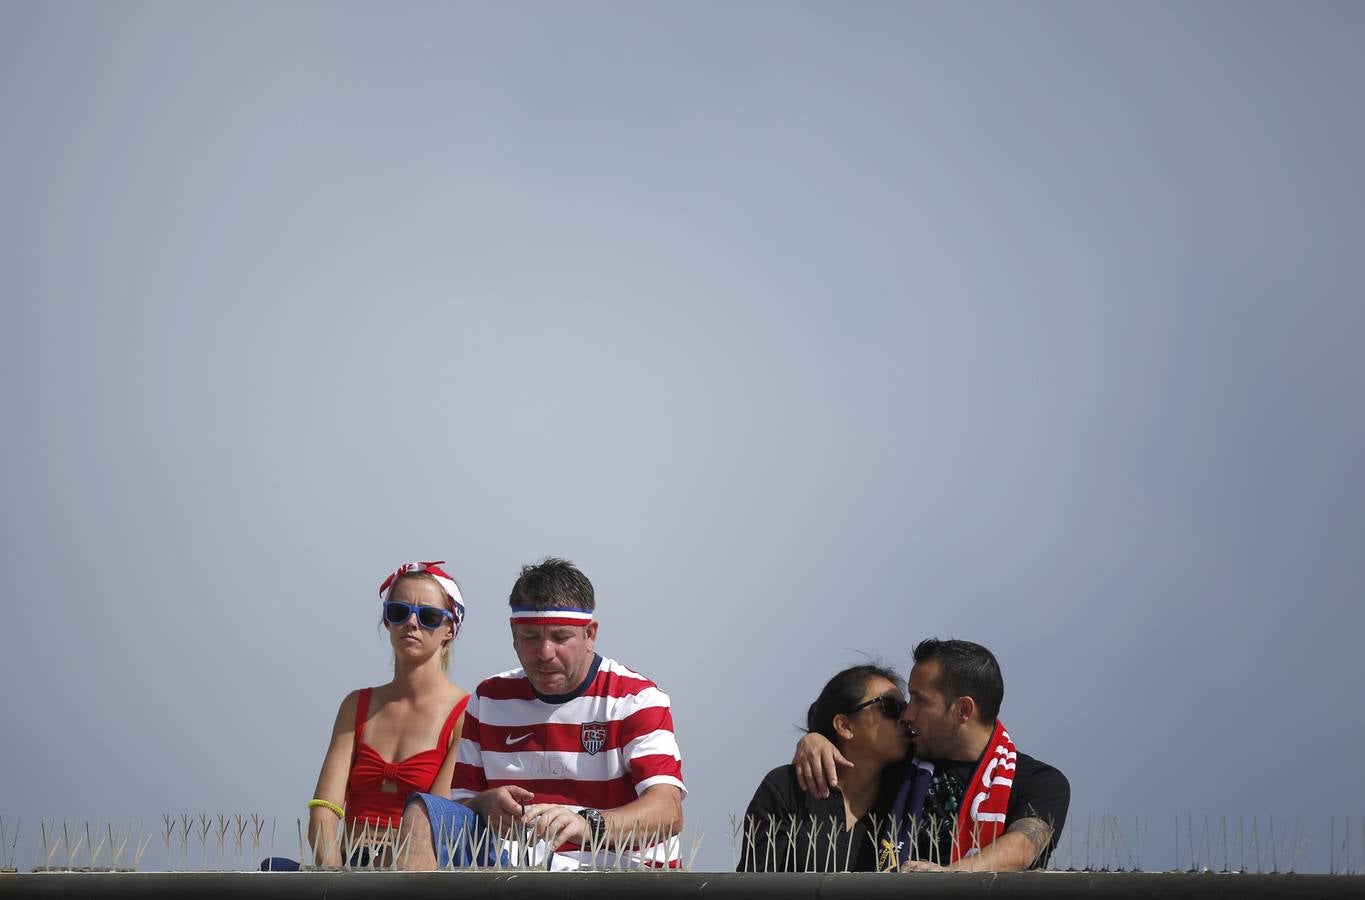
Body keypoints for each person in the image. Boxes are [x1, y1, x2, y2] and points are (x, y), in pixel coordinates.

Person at [399, 558, 686, 870]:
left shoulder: (635, 698)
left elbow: (668, 810)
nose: (545, 653)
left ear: (590, 634)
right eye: (531, 637)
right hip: (521, 872)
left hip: (615, 874)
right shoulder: (488, 698)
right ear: (513, 633)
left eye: (560, 638)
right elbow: (460, 810)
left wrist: (587, 826)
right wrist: (487, 804)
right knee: (423, 815)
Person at [793, 639, 1069, 872]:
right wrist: (815, 739)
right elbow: (850, 753)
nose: (907, 714)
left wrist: (946, 879)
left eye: (919, 700)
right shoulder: (902, 763)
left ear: (963, 710)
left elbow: (1024, 846)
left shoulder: (1038, 781)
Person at [272, 561, 470, 869]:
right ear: (387, 620)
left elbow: (433, 820)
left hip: (410, 876)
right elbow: (325, 807)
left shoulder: (464, 715)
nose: (412, 623)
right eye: (399, 612)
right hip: (345, 867)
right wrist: (334, 876)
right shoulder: (356, 705)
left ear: (449, 630)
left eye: (429, 616)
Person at [737, 664, 921, 872]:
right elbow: (754, 885)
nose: (905, 718)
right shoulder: (789, 788)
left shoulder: (910, 798)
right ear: (844, 725)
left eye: (904, 707)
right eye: (890, 707)